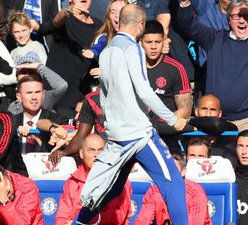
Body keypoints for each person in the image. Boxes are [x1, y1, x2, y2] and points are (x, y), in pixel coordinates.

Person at [78, 4, 188, 225]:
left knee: (110, 188)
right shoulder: (133, 48)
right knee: (174, 183)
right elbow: (144, 90)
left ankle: (78, 223)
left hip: (117, 135)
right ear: (140, 25)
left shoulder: (107, 51)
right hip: (138, 135)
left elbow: (104, 95)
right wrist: (172, 118)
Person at [177, 0, 248, 130]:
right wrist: (185, 3)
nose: (242, 21)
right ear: (229, 20)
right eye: (236, 16)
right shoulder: (214, 39)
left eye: (247, 16)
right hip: (216, 121)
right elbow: (188, 24)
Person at [55, 134, 132, 225]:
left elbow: (119, 216)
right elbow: (62, 219)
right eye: (91, 150)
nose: (97, 155)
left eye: (101, 150)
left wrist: (79, 221)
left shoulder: (120, 180)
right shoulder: (72, 182)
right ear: (81, 153)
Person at [140, 20, 192, 154]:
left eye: (157, 42)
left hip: (167, 137)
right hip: (136, 135)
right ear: (140, 42)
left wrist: (159, 126)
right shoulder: (131, 67)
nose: (153, 47)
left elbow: (184, 111)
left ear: (164, 41)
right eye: (148, 42)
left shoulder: (175, 68)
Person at [46, 0, 102, 118]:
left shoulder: (99, 25)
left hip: (84, 96)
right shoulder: (65, 19)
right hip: (61, 98)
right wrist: (67, 11)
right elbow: (55, 22)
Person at [134, 154, 211, 225]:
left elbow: (195, 223)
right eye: (165, 170)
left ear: (183, 172)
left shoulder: (194, 192)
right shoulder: (154, 191)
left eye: (172, 170)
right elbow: (142, 221)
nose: (168, 173)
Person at [15, 74, 67, 153]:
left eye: (37, 92)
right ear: (19, 97)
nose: (34, 97)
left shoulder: (59, 121)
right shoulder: (11, 122)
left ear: (43, 95)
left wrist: (38, 139)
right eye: (29, 93)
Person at [193, 94, 237, 165]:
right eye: (204, 109)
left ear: (219, 114)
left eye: (212, 110)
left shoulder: (228, 136)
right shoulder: (187, 133)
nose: (208, 114)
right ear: (196, 111)